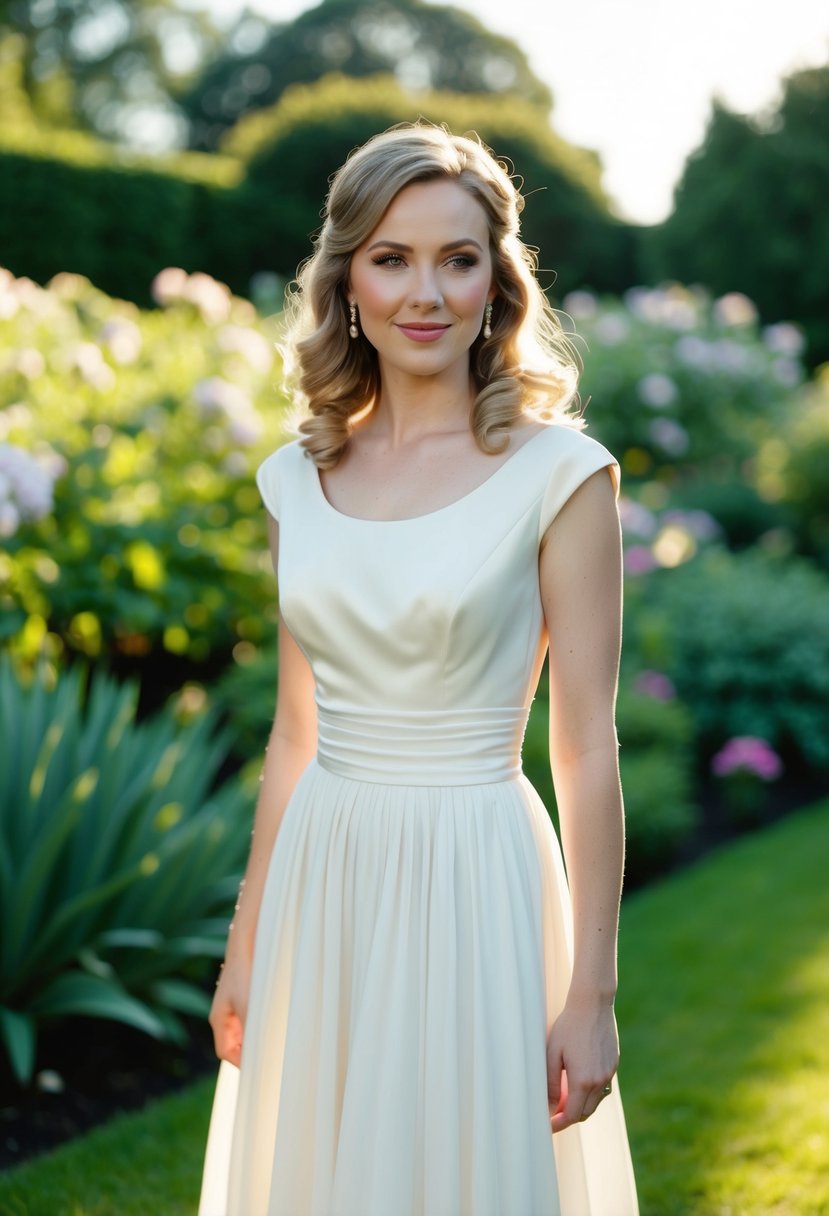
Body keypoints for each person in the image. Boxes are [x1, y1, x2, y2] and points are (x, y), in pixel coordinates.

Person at [198, 122, 639, 1216]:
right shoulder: (294, 481)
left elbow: (585, 746)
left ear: (498, 280)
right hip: (323, 875)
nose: (424, 291)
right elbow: (297, 730)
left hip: (475, 873)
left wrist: (592, 992)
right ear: (348, 276)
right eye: (391, 257)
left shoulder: (562, 475)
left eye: (457, 257)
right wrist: (246, 942)